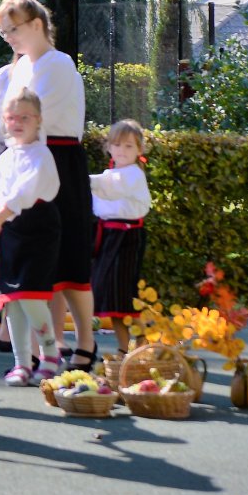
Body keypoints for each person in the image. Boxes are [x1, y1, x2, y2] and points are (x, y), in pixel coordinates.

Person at [0, 0, 96, 371]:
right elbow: (5, 132)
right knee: (36, 259)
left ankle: (85, 342)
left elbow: (30, 121)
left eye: (12, 29)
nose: (8, 37)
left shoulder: (58, 65)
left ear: (36, 25)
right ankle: (35, 348)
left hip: (58, 162)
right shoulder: (16, 70)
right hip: (24, 162)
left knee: (70, 260)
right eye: (2, 32)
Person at [0, 88, 62, 385]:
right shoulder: (6, 157)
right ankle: (22, 364)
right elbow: (0, 190)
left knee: (31, 296)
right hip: (11, 231)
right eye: (11, 117)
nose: (17, 122)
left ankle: (50, 355)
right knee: (11, 299)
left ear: (38, 120)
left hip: (38, 230)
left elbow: (25, 191)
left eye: (24, 117)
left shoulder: (41, 155)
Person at [89, 119, 152, 356]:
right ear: (108, 147)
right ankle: (124, 349)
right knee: (109, 296)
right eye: (117, 145)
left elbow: (110, 187)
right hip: (107, 237)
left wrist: (76, 178)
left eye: (128, 146)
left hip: (127, 238)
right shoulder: (110, 174)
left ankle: (143, 345)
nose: (121, 151)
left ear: (139, 150)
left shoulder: (132, 175)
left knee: (124, 294)